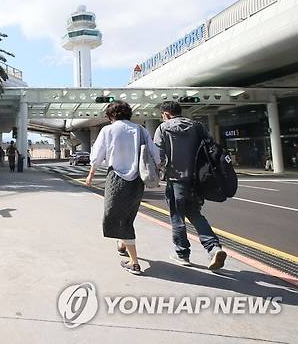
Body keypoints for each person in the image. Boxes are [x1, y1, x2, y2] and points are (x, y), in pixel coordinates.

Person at [86, 101, 160, 275]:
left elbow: (97, 155)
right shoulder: (141, 130)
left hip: (115, 178)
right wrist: (160, 168)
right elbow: (155, 154)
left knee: (114, 217)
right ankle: (121, 243)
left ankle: (134, 263)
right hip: (137, 180)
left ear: (111, 115)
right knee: (127, 214)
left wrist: (91, 174)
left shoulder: (108, 130)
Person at [154, 100, 227, 270]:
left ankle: (182, 254)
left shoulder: (163, 128)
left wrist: (159, 172)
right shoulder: (198, 126)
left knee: (177, 217)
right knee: (194, 214)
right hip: (197, 181)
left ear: (165, 114)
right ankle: (214, 248)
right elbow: (211, 149)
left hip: (176, 180)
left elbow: (158, 157)